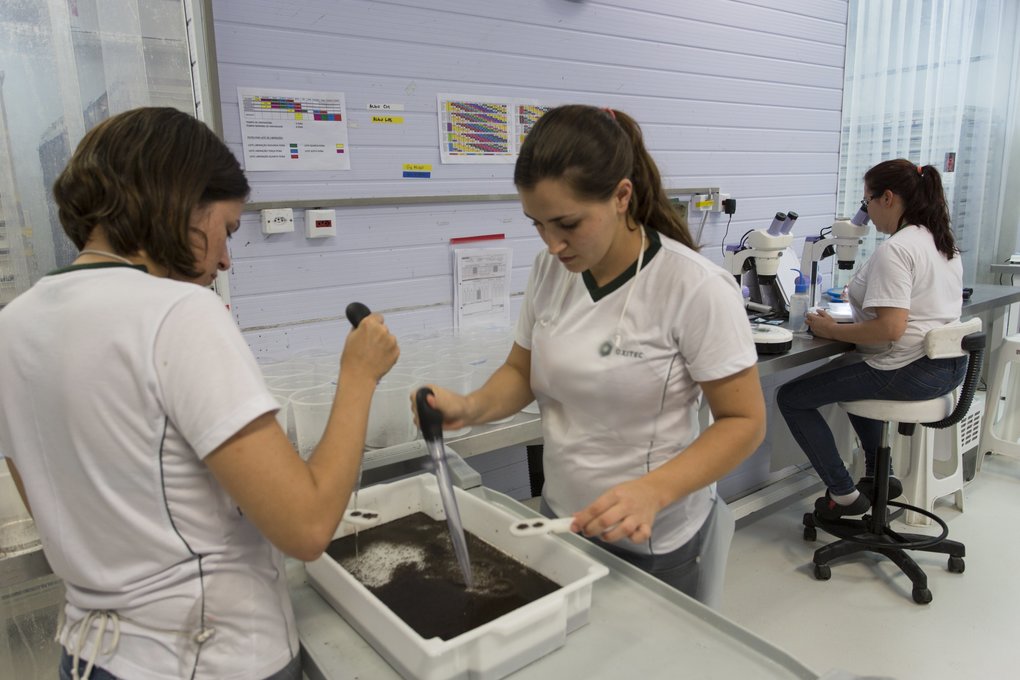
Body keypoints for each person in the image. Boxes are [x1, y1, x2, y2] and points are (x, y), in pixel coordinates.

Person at [0, 108, 398, 680]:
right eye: (227, 230)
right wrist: (359, 377)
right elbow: (307, 527)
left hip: (89, 656)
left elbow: (53, 505)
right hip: (206, 658)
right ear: (179, 200)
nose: (225, 260)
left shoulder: (14, 326)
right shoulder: (178, 311)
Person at [416, 104, 766, 605]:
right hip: (563, 521)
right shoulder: (550, 270)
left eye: (567, 224)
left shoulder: (694, 287)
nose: (553, 244)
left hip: (654, 537)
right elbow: (522, 370)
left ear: (622, 196)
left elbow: (744, 420)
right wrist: (471, 408)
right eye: (537, 224)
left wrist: (655, 490)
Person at [777, 159, 966, 519]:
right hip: (947, 369)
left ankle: (843, 494)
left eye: (868, 202)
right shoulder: (941, 241)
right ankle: (880, 475)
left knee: (792, 396)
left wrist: (833, 331)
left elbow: (890, 329)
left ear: (889, 198)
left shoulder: (898, 249)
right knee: (852, 367)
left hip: (910, 369)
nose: (867, 214)